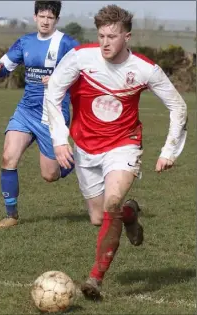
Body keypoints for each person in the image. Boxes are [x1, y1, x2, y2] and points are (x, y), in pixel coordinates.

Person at [45, 4, 188, 300]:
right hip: (85, 147)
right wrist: (60, 140)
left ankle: (95, 279)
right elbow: (54, 92)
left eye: (112, 36)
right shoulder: (80, 58)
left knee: (111, 204)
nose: (105, 42)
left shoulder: (145, 69)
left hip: (124, 144)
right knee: (99, 218)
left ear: (127, 37)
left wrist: (169, 150)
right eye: (101, 35)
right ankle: (130, 214)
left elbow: (178, 106)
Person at [0, 1, 79, 229]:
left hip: (53, 113)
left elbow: (83, 73)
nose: (46, 21)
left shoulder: (67, 43)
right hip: (26, 110)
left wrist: (59, 79)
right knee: (8, 157)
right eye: (42, 16)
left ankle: (77, 159)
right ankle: (11, 216)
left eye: (51, 17)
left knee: (50, 175)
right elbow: (5, 66)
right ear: (35, 17)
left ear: (56, 20)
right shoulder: (25, 42)